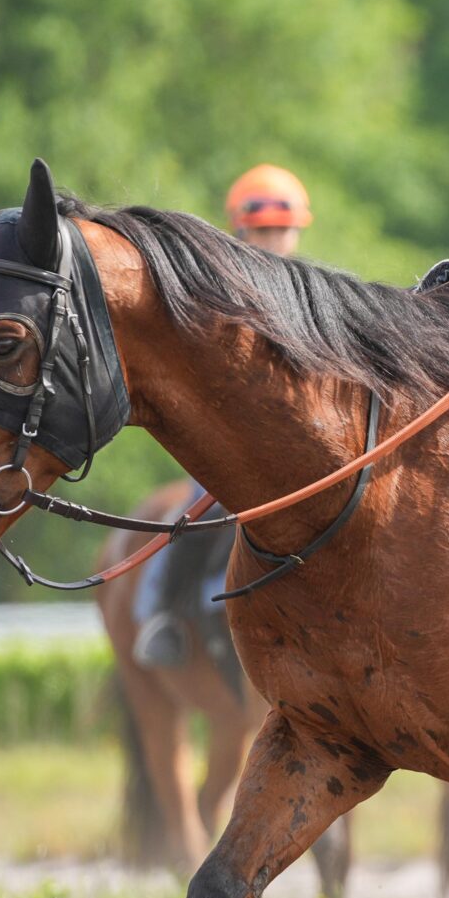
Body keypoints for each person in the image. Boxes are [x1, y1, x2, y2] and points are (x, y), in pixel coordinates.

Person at [131, 167, 314, 669]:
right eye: (263, 230)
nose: (273, 240)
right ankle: (163, 616)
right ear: (241, 229)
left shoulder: (315, 296)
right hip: (235, 445)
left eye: (281, 229)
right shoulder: (218, 293)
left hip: (303, 448)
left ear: (297, 230)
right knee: (194, 512)